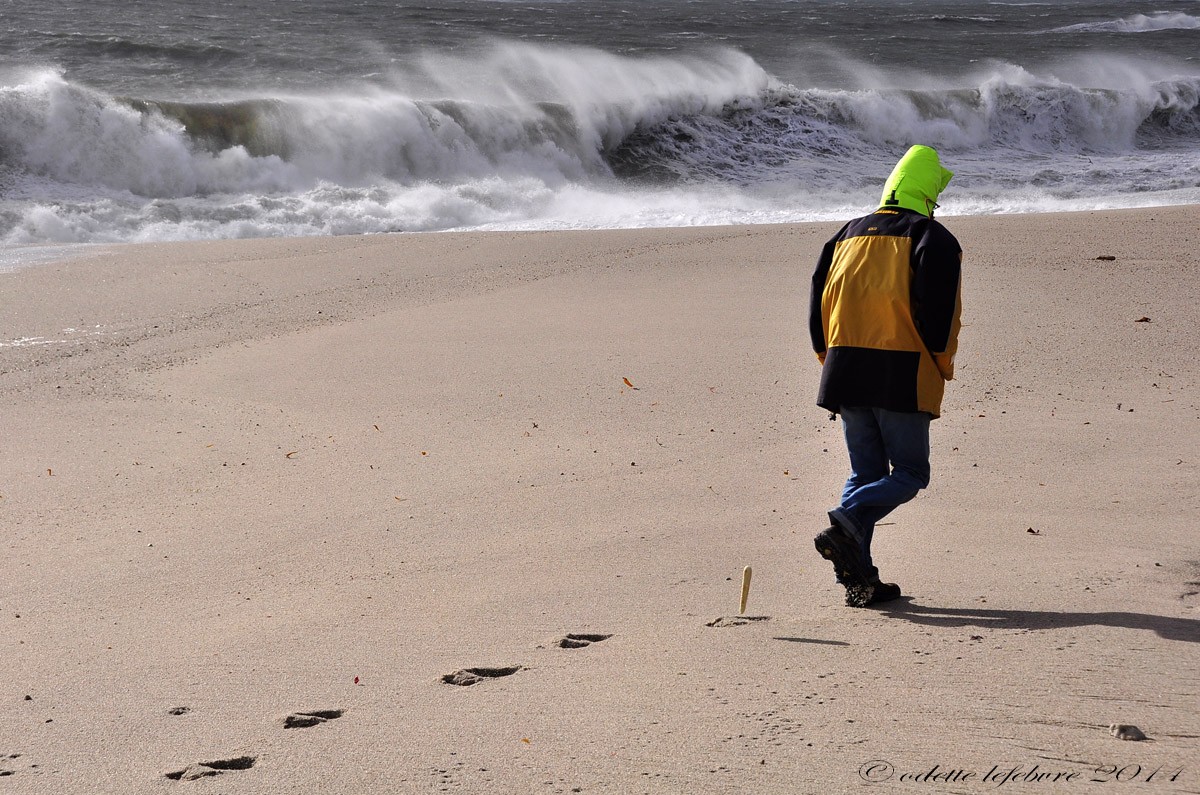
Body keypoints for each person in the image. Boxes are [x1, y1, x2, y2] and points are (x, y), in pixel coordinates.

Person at [808, 144, 963, 607]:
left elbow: (818, 307)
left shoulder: (844, 235)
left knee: (865, 472)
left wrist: (826, 359)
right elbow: (940, 317)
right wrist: (941, 366)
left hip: (843, 369)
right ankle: (844, 522)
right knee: (912, 473)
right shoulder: (932, 237)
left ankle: (862, 579)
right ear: (927, 192)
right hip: (901, 370)